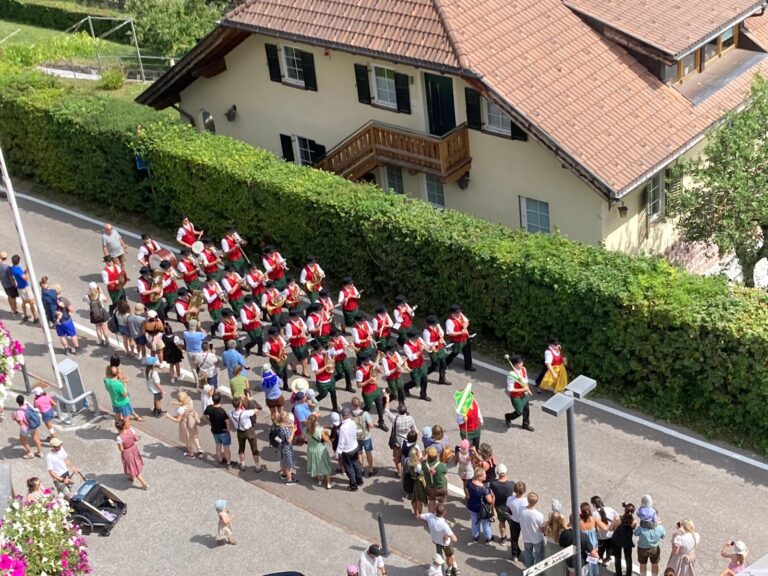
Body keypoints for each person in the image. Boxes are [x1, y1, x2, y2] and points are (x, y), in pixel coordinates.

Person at [228, 397, 267, 472]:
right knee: (254, 449)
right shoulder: (245, 413)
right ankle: (257, 466)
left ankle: (243, 464)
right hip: (249, 431)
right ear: (240, 404)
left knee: (241, 448)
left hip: (240, 431)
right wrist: (250, 400)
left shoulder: (230, 413)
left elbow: (228, 416)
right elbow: (256, 410)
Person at [419, 503, 459, 575]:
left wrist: (429, 525)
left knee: (439, 556)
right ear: (444, 512)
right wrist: (448, 534)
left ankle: (452, 566)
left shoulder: (429, 516)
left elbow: (419, 516)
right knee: (449, 556)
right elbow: (455, 539)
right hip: (446, 543)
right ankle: (449, 568)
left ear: (435, 511)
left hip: (436, 541)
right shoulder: (444, 525)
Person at [384, 395, 416, 478]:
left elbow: (386, 411)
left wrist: (387, 399)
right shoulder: (410, 418)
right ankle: (410, 472)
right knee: (409, 458)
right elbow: (414, 430)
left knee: (397, 459)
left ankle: (400, 473)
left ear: (398, 412)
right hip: (408, 443)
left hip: (398, 443)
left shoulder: (395, 419)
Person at [166, 391, 203, 458]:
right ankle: (199, 448)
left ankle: (191, 454)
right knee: (194, 434)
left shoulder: (181, 409)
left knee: (187, 438)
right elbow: (184, 403)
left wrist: (169, 416)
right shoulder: (190, 401)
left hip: (185, 423)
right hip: (191, 420)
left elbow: (178, 420)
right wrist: (176, 403)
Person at [355, 353, 387, 431]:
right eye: (367, 360)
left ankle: (381, 422)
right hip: (367, 393)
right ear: (363, 361)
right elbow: (359, 385)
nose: (369, 361)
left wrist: (378, 367)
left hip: (376, 389)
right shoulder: (359, 372)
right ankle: (360, 419)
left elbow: (381, 372)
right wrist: (369, 380)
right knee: (367, 408)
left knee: (380, 407)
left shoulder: (370, 364)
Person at [115, 419, 149, 489]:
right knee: (134, 464)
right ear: (124, 426)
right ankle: (131, 476)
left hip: (127, 453)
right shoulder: (131, 430)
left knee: (133, 467)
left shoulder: (119, 438)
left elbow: (121, 449)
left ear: (117, 428)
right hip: (134, 449)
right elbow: (136, 439)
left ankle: (144, 483)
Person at [336, 407, 364, 491]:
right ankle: (359, 480)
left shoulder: (342, 427)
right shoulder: (352, 423)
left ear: (342, 416)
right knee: (356, 464)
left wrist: (338, 452)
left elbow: (341, 442)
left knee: (349, 469)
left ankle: (353, 485)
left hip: (347, 450)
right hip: (354, 447)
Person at [505, 354, 534, 431]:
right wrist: (523, 389)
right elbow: (510, 389)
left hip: (524, 394)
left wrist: (527, 388)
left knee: (526, 409)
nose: (522, 363)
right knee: (519, 412)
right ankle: (508, 417)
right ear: (515, 364)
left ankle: (525, 424)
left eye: (522, 361)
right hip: (516, 396)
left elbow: (526, 381)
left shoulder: (523, 369)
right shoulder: (511, 375)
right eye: (520, 362)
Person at [350, 396, 377, 478]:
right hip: (366, 436)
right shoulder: (365, 414)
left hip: (356, 437)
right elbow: (371, 425)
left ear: (352, 405)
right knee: (368, 452)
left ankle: (361, 469)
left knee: (359, 453)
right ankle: (371, 469)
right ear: (360, 404)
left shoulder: (350, 414)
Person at [204, 392, 234, 467]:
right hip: (223, 432)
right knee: (226, 447)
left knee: (218, 445)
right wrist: (228, 429)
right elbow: (227, 422)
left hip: (214, 431)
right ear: (220, 400)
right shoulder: (222, 411)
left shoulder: (209, 408)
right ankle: (228, 462)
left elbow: (204, 416)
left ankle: (220, 459)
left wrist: (209, 423)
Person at [467, 466, 495, 544]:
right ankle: (488, 538)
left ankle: (475, 537)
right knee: (486, 524)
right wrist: (493, 497)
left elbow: (468, 492)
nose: (486, 475)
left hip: (471, 507)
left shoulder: (469, 483)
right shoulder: (484, 489)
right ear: (479, 477)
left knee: (474, 522)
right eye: (484, 474)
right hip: (482, 510)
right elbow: (489, 500)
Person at [306, 413, 332, 489]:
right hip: (320, 449)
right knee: (325, 465)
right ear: (316, 421)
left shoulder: (305, 430)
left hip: (311, 449)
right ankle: (328, 483)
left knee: (315, 465)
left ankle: (319, 480)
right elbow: (327, 440)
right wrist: (326, 433)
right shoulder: (320, 430)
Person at [310, 341, 338, 412]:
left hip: (330, 378)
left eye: (322, 349)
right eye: (320, 350)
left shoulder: (324, 353)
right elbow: (316, 372)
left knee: (333, 393)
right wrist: (326, 366)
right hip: (322, 381)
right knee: (323, 395)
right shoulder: (313, 359)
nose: (321, 351)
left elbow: (332, 353)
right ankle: (311, 402)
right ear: (315, 350)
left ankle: (335, 408)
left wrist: (331, 347)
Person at [9, 255, 39, 322]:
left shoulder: (13, 268)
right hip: (25, 287)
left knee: (24, 302)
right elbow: (26, 278)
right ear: (18, 261)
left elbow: (19, 276)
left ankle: (25, 315)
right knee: (31, 302)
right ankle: (35, 317)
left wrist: (25, 271)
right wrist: (28, 271)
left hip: (19, 287)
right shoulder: (17, 269)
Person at [445, 304, 475, 371]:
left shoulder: (460, 314)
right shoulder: (449, 321)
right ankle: (445, 363)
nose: (459, 313)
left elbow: (467, 321)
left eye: (459, 311)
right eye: (457, 312)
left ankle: (468, 366)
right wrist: (461, 332)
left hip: (465, 338)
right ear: (453, 313)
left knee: (467, 352)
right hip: (457, 340)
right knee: (455, 353)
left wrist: (465, 327)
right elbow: (450, 333)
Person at [543, 500, 569, 576]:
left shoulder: (547, 527)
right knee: (559, 565)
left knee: (549, 563)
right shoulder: (562, 530)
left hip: (549, 547)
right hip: (559, 548)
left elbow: (544, 533)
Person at [52, 284, 80, 354]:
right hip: (66, 320)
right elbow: (71, 310)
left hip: (57, 321)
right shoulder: (64, 300)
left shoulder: (52, 300)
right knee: (73, 334)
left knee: (62, 335)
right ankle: (77, 349)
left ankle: (66, 349)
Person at [403, 329, 430, 401]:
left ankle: (423, 395)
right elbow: (411, 358)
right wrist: (420, 351)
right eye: (416, 337)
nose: (418, 338)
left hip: (421, 363)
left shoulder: (418, 339)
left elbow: (426, 345)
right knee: (416, 382)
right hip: (413, 366)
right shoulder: (406, 346)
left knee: (424, 380)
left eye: (418, 337)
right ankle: (405, 387)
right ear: (411, 338)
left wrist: (428, 347)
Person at [591, 495, 619, 565]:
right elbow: (617, 518)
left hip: (601, 537)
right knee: (609, 549)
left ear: (594, 504)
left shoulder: (594, 514)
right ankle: (607, 559)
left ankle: (600, 559)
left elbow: (594, 526)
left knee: (601, 549)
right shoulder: (610, 509)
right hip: (611, 535)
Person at [610, 502, 636, 576]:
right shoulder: (634, 521)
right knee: (628, 559)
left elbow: (610, 529)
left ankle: (619, 574)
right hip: (627, 542)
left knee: (617, 558)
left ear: (624, 510)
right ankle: (628, 574)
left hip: (617, 541)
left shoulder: (617, 518)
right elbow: (633, 527)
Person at [13, 394, 43, 458]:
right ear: (23, 401)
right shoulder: (27, 406)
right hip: (33, 425)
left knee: (23, 440)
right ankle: (40, 452)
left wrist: (15, 419)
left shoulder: (19, 412)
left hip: (26, 429)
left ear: (17, 402)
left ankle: (30, 453)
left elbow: (21, 423)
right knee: (36, 438)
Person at [521, 492, 546, 567]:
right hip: (537, 538)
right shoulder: (539, 515)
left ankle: (529, 568)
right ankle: (537, 569)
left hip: (526, 537)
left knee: (528, 553)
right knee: (539, 555)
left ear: (528, 500)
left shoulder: (521, 510)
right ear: (536, 502)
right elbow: (542, 527)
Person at [491, 463, 514, 542]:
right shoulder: (511, 484)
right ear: (506, 472)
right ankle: (513, 538)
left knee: (501, 522)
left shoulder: (493, 484)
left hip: (499, 506)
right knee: (512, 524)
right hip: (509, 508)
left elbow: (492, 495)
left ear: (497, 473)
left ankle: (503, 538)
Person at [284, 307, 310, 377]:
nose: (298, 318)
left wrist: (305, 331)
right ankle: (301, 369)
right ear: (292, 317)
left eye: (298, 316)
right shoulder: (289, 325)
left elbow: (304, 327)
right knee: (303, 358)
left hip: (303, 342)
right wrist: (298, 336)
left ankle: (303, 370)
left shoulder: (300, 320)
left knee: (305, 357)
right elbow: (289, 337)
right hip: (296, 344)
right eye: (296, 317)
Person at [422, 446, 448, 513]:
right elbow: (445, 471)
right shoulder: (441, 465)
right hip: (441, 488)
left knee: (431, 501)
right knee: (441, 502)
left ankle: (430, 517)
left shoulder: (424, 465)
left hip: (430, 487)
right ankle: (440, 515)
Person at [84, 282, 110, 346]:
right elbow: (106, 300)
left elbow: (83, 299)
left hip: (94, 314)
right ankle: (107, 340)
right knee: (104, 328)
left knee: (98, 328)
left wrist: (88, 293)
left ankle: (100, 340)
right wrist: (101, 292)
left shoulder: (87, 297)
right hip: (102, 313)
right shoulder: (100, 295)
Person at [329, 326, 354, 392]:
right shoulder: (330, 343)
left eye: (338, 335)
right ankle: (329, 382)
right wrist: (342, 349)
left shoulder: (341, 338)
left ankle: (349, 387)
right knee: (341, 375)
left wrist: (349, 344)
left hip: (343, 357)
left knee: (347, 372)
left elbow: (346, 343)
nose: (338, 337)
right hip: (336, 360)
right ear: (332, 336)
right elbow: (334, 353)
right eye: (336, 336)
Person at [507, 481, 528, 561]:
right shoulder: (526, 501)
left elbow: (508, 509)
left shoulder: (510, 499)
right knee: (527, 538)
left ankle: (515, 554)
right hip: (524, 522)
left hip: (514, 521)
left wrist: (511, 515)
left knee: (514, 539)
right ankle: (528, 554)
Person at [423, 315, 447, 385]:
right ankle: (422, 375)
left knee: (443, 364)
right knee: (435, 367)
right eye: (435, 323)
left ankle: (442, 379)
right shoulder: (426, 331)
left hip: (440, 347)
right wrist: (437, 342)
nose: (437, 324)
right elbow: (427, 343)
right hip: (433, 350)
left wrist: (441, 335)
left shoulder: (437, 326)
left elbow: (442, 333)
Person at [182, 319, 207, 385]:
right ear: (196, 325)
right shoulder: (199, 334)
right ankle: (202, 380)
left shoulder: (185, 333)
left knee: (193, 368)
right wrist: (200, 327)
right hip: (198, 352)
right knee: (201, 367)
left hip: (189, 352)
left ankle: (197, 382)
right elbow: (205, 334)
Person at [276, 410, 297, 484]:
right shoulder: (286, 430)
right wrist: (293, 431)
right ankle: (289, 480)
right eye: (288, 417)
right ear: (285, 419)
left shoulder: (279, 426)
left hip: (281, 447)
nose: (289, 419)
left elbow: (283, 426)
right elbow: (289, 441)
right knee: (288, 465)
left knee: (283, 461)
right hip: (287, 448)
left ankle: (284, 474)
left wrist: (290, 426)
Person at [405, 445, 426, 516]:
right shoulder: (418, 466)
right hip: (418, 483)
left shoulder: (407, 461)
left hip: (411, 480)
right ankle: (419, 514)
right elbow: (423, 473)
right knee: (419, 499)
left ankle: (415, 511)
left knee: (413, 498)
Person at [0, 251, 19, 315]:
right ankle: (14, 311)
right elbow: (11, 278)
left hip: (4, 285)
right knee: (13, 298)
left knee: (9, 296)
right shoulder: (8, 268)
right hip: (10, 286)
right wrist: (15, 285)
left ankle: (12, 309)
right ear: (6, 258)